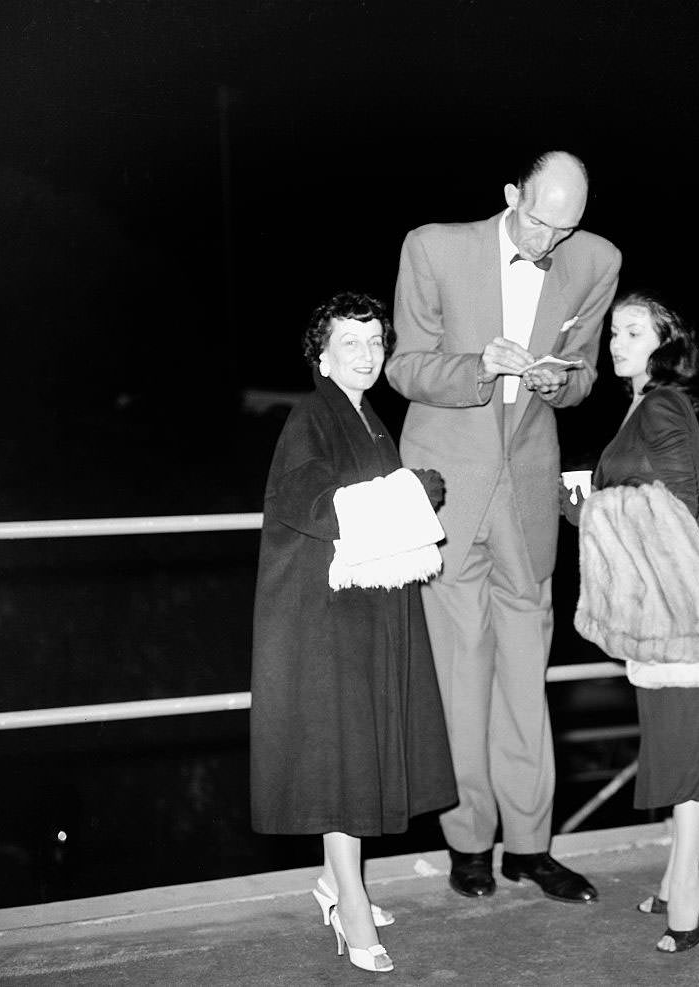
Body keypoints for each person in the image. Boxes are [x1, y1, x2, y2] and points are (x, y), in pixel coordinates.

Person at [386, 151, 621, 903]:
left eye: (566, 226)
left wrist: (562, 380)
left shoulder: (596, 259)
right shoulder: (433, 246)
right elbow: (405, 368)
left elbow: (584, 374)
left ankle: (529, 846)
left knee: (527, 681)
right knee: (463, 678)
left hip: (526, 493)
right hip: (452, 487)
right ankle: (468, 843)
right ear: (512, 195)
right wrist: (478, 364)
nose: (549, 240)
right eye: (538, 221)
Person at [250, 291, 456, 974]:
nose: (367, 355)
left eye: (375, 342)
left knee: (359, 750)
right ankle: (351, 902)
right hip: (327, 618)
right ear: (322, 353)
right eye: (351, 343)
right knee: (341, 760)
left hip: (363, 612)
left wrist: (406, 488)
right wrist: (408, 492)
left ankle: (336, 881)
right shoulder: (311, 415)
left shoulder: (367, 417)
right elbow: (301, 501)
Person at [562, 292, 699, 953]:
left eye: (633, 330)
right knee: (670, 737)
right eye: (613, 331)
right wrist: (589, 510)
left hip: (679, 603)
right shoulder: (641, 404)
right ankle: (677, 874)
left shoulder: (663, 404)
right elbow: (643, 497)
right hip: (655, 601)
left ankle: (692, 889)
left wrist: (599, 509)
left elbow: (681, 501)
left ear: (665, 342)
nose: (616, 340)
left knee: (688, 749)